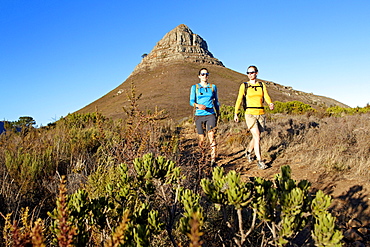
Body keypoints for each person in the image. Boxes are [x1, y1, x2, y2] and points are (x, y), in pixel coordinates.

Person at [234, 65, 274, 169]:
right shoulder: (244, 85)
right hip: (249, 113)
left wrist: (270, 103)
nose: (250, 74)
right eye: (248, 73)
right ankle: (260, 161)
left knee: (257, 135)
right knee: (257, 135)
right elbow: (239, 99)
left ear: (256, 73)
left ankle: (248, 152)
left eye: (252, 72)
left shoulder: (261, 85)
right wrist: (236, 113)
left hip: (260, 113)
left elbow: (266, 95)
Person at [190, 68, 220, 166]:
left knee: (211, 135)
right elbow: (191, 101)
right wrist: (198, 106)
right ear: (199, 76)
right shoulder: (195, 87)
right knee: (201, 138)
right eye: (202, 74)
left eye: (206, 74)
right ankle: (203, 156)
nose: (205, 76)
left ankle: (213, 158)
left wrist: (218, 112)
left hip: (210, 114)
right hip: (199, 115)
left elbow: (216, 101)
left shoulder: (213, 87)